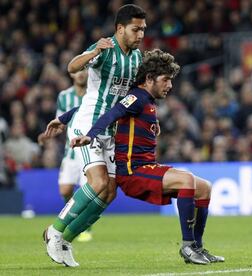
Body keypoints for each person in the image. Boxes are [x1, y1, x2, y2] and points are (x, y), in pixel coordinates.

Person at [70, 49, 225, 264]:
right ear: (150, 78)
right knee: (186, 180)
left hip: (147, 168)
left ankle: (197, 248)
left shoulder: (148, 101)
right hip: (132, 172)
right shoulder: (136, 97)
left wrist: (63, 117)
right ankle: (188, 247)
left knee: (205, 187)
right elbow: (113, 113)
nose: (170, 85)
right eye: (166, 80)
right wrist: (90, 135)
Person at [42, 4, 146, 267]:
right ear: (120, 28)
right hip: (87, 126)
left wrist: (64, 117)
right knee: (98, 183)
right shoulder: (105, 48)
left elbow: (116, 100)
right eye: (136, 29)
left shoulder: (136, 58)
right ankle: (53, 232)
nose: (141, 34)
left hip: (110, 129)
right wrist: (93, 52)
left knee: (110, 192)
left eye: (143, 29)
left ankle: (67, 239)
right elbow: (71, 67)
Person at [39, 69, 92, 242]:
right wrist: (47, 135)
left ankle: (84, 227)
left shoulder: (94, 92)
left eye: (85, 70)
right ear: (72, 75)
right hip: (70, 152)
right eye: (78, 71)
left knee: (88, 191)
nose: (81, 74)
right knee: (66, 189)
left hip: (89, 149)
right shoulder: (64, 96)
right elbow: (60, 123)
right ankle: (73, 216)